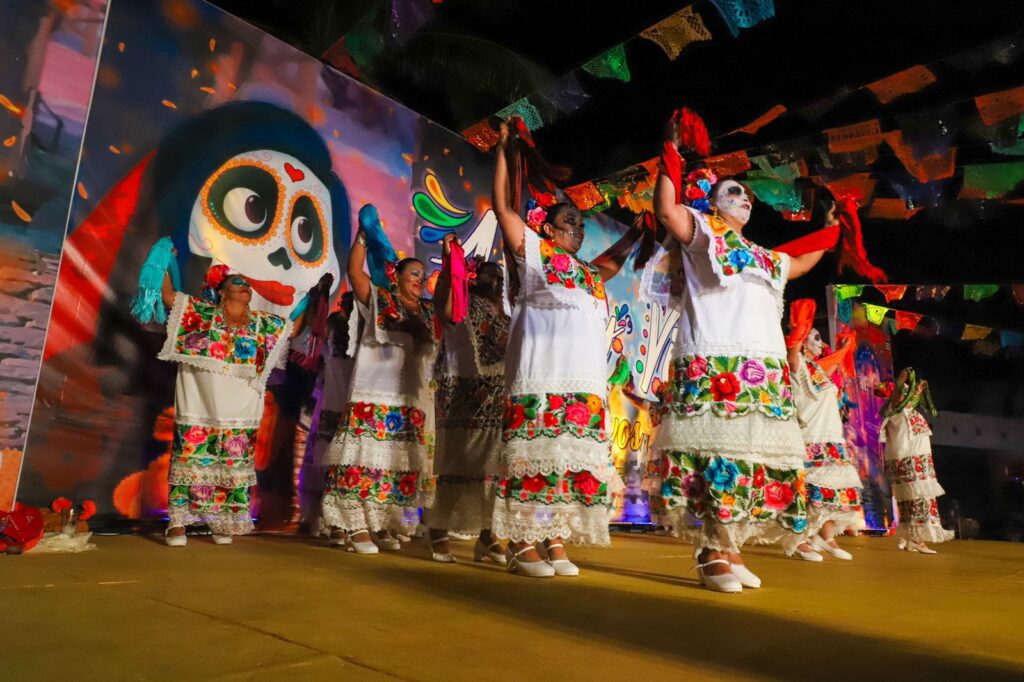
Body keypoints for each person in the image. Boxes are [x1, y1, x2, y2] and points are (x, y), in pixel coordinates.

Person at [647, 109, 834, 592]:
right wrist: (669, 153)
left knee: (749, 461)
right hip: (714, 362)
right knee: (717, 458)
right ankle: (710, 555)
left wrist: (836, 228)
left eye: (748, 194)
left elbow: (802, 263)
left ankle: (732, 550)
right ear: (712, 201)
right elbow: (666, 209)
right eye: (734, 191)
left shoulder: (766, 258)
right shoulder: (702, 233)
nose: (744, 197)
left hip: (762, 371)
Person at [491, 120, 629, 578]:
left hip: (582, 384)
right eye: (570, 222)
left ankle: (555, 539)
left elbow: (617, 258)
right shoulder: (536, 256)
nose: (578, 229)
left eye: (582, 225)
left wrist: (643, 230)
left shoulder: (589, 274)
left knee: (567, 464)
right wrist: (506, 150)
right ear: (547, 229)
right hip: (540, 377)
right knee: (536, 458)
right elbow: (502, 207)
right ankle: (521, 541)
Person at [155, 258, 297, 546]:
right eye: (238, 282)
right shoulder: (200, 315)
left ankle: (222, 521)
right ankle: (178, 523)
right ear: (221, 291)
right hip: (200, 405)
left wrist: (314, 301)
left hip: (240, 410)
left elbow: (293, 328)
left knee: (232, 464)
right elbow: (168, 297)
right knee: (190, 460)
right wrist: (161, 261)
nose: (246, 287)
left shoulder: (263, 325)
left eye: (248, 284)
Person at [321, 205, 435, 554]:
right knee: (363, 461)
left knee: (394, 465)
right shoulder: (381, 299)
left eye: (421, 274)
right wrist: (363, 234)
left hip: (408, 400)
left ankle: (382, 522)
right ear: (396, 276)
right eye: (412, 273)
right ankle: (355, 525)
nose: (418, 277)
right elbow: (355, 272)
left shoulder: (428, 312)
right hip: (374, 392)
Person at [423, 234, 509, 564]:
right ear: (473, 279)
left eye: (499, 277)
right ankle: (437, 531)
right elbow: (443, 305)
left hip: (496, 398)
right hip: (463, 396)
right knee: (458, 463)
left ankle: (487, 538)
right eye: (489, 275)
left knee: (492, 466)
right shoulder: (462, 303)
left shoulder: (504, 316)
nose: (496, 281)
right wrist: (449, 266)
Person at [786, 299, 864, 561]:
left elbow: (834, 362)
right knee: (806, 492)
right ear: (803, 343)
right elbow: (793, 353)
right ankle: (799, 539)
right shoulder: (797, 366)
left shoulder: (818, 369)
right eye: (815, 338)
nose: (821, 342)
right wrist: (800, 326)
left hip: (830, 436)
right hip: (808, 436)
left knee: (831, 489)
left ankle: (825, 536)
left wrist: (845, 348)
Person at [878, 367, 954, 553]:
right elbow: (898, 398)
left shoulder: (908, 412)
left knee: (910, 498)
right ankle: (917, 539)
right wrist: (901, 380)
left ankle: (909, 537)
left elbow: (907, 399)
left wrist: (917, 389)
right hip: (910, 457)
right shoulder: (895, 409)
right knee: (918, 497)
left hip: (914, 457)